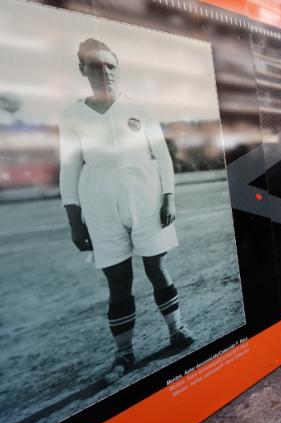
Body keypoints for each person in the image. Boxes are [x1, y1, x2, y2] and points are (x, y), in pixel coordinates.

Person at [59, 38, 194, 385]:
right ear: (82, 70)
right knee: (118, 284)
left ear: (118, 69)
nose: (105, 73)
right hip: (100, 204)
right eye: (96, 66)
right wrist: (75, 221)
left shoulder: (139, 108)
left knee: (157, 269)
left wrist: (169, 197)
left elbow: (162, 156)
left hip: (146, 196)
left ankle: (177, 330)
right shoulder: (73, 115)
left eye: (110, 66)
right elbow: (69, 169)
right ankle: (124, 352)